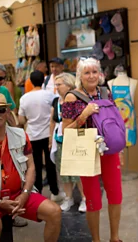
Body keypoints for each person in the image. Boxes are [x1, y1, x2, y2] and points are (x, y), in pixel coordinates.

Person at [0, 93, 61, 242]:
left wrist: (25, 193)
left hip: (18, 194)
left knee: (54, 212)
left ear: (8, 112)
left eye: (1, 109)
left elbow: (31, 167)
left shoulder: (20, 135)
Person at [62, 58, 122, 242]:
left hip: (109, 149)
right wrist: (84, 115)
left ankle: (114, 237)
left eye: (94, 72)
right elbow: (66, 131)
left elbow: (114, 122)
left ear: (100, 74)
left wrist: (121, 150)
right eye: (87, 72)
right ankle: (96, 240)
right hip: (86, 150)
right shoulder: (71, 97)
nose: (91, 76)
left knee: (116, 195)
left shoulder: (105, 92)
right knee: (93, 199)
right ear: (80, 76)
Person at [18, 71, 63, 203]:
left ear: (31, 82)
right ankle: (55, 192)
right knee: (50, 164)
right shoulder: (50, 95)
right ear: (43, 81)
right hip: (48, 134)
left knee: (35, 165)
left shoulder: (24, 98)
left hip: (32, 135)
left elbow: (21, 120)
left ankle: (37, 193)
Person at [50, 72, 86, 212]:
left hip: (75, 138)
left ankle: (84, 198)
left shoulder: (75, 99)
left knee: (78, 171)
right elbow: (52, 120)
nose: (57, 88)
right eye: (55, 85)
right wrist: (49, 139)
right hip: (59, 139)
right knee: (64, 171)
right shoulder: (56, 101)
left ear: (69, 84)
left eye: (59, 84)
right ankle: (68, 198)